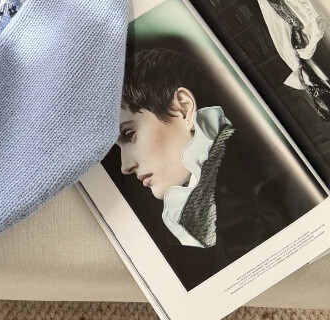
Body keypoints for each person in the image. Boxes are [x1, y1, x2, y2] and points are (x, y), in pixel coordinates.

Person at [114, 45, 322, 280]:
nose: (125, 166)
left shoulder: (290, 185)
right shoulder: (195, 230)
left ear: (183, 108)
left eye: (130, 135)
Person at [246, 0, 330, 121]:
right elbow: (278, 29)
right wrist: (296, 64)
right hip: (309, 41)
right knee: (326, 79)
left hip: (325, 23)